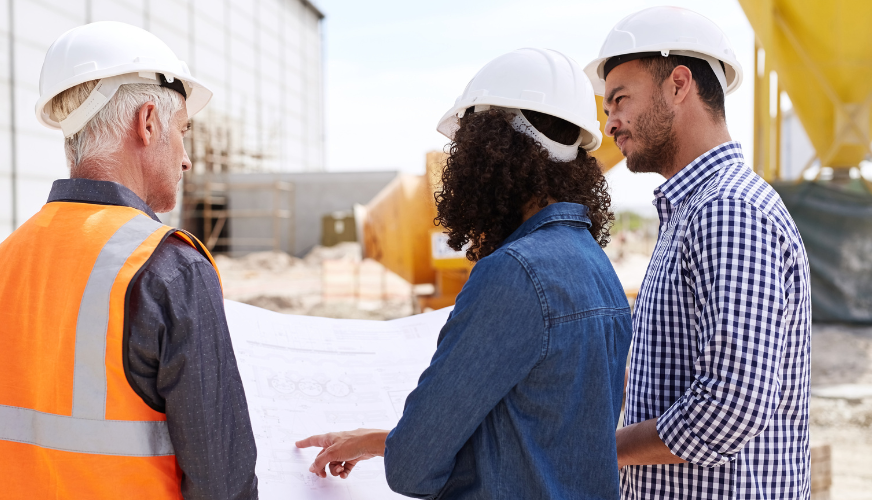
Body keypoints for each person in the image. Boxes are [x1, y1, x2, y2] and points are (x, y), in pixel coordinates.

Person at [296, 48, 633, 499]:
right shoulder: (597, 267)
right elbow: (546, 442)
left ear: (492, 150)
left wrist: (398, 448)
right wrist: (381, 441)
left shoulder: (513, 275)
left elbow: (414, 467)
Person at [0, 22, 258, 499]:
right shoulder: (169, 268)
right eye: (182, 131)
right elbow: (221, 480)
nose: (185, 159)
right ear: (147, 122)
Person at [585, 6, 812, 498]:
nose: (612, 125)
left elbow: (731, 407)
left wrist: (598, 449)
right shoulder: (691, 211)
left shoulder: (728, 210)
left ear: (679, 84)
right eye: (608, 110)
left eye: (620, 100)